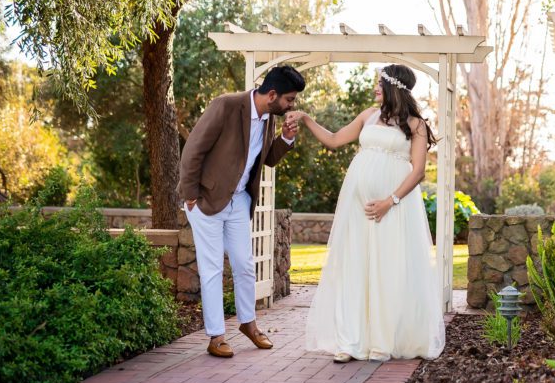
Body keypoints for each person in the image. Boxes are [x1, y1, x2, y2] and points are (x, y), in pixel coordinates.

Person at [293, 64, 445, 363]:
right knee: (354, 266)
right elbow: (335, 140)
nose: (375, 87)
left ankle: (382, 341)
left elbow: (418, 172)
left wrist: (391, 201)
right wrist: (307, 119)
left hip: (393, 210)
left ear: (394, 86)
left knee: (388, 269)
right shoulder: (368, 115)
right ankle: (350, 342)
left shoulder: (416, 125)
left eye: (380, 82)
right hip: (357, 207)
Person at [176, 66, 305, 358]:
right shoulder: (226, 105)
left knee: (245, 265)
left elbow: (265, 160)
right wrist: (191, 196)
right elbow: (192, 151)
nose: (291, 106)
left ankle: (248, 324)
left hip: (239, 202)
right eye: (289, 99)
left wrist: (284, 139)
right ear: (272, 94)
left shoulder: (270, 119)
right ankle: (216, 336)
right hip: (206, 200)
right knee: (212, 269)